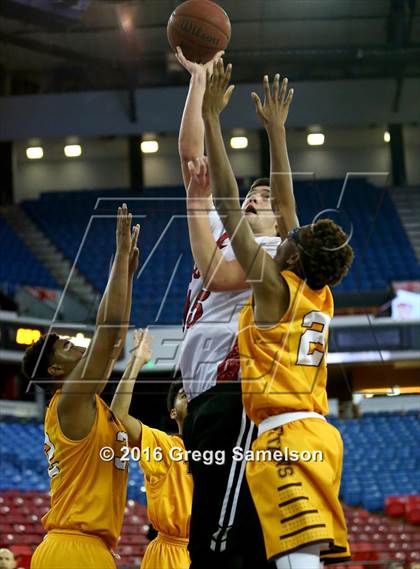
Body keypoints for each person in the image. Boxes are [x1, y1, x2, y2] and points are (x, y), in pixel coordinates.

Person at [202, 60, 353, 568]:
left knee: (296, 565)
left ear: (292, 256)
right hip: (320, 438)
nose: (288, 230)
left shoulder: (273, 288)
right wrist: (276, 132)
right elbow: (288, 211)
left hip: (285, 440)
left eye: (292, 237)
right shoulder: (318, 293)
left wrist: (211, 121)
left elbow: (226, 204)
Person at [177, 46, 296, 568]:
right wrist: (197, 84)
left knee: (220, 537)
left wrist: (274, 133)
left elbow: (217, 273)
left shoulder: (274, 251)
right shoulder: (229, 234)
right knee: (210, 526)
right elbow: (191, 159)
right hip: (203, 396)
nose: (256, 199)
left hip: (237, 389)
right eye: (252, 195)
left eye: (264, 201)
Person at [21, 204, 140, 569]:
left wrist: (127, 276)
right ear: (56, 369)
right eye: (67, 346)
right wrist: (120, 261)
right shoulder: (68, 401)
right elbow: (110, 335)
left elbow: (113, 339)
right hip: (74, 550)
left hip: (86, 548)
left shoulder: (87, 405)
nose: (78, 343)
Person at [110, 329, 192, 569]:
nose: (189, 394)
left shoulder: (224, 448)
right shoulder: (164, 445)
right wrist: (136, 362)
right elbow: (119, 416)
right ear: (173, 412)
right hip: (170, 553)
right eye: (182, 393)